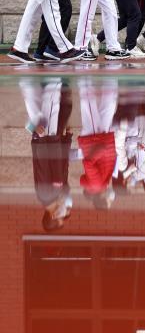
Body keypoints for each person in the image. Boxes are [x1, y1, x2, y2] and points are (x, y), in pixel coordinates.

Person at [24, 77, 74, 231]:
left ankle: (53, 74)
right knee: (55, 105)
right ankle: (54, 77)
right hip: (53, 141)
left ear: (53, 216)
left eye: (60, 217)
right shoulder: (55, 195)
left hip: (46, 140)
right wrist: (66, 140)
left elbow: (42, 165)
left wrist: (41, 139)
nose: (64, 212)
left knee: (50, 103)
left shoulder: (46, 195)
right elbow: (62, 165)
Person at [77, 78, 119, 210]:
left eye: (108, 201)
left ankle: (83, 68)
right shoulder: (102, 184)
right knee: (109, 104)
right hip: (102, 139)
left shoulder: (97, 185)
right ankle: (113, 67)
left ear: (102, 199)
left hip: (94, 139)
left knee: (89, 102)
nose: (110, 198)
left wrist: (100, 150)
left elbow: (88, 163)